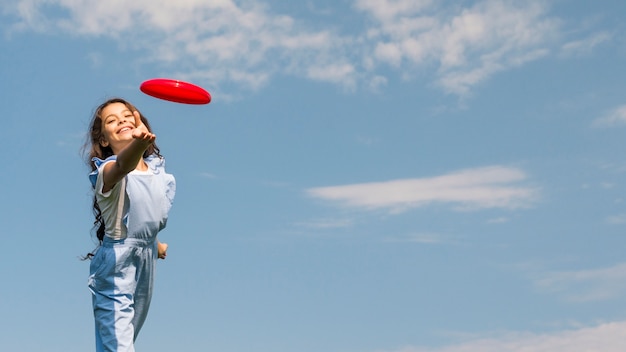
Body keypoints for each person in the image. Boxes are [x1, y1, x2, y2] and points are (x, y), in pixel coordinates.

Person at [83, 97, 176, 351]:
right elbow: (123, 165)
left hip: (145, 262)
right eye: (112, 121)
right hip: (116, 265)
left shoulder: (156, 171)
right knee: (118, 345)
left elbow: (143, 215)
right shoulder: (108, 170)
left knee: (125, 339)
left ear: (139, 123)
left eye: (126, 116)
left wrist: (155, 244)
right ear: (104, 140)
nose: (121, 120)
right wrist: (138, 143)